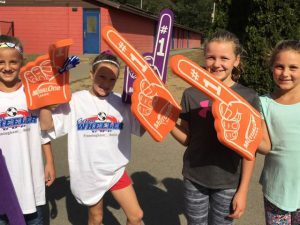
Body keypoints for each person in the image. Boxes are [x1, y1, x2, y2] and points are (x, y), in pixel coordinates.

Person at [40, 51, 144, 225]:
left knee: (136, 216)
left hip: (115, 170)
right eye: (101, 76)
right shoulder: (75, 101)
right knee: (96, 218)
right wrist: (44, 100)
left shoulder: (122, 103)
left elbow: (140, 129)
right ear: (91, 74)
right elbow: (46, 125)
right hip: (88, 172)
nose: (106, 83)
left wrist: (149, 110)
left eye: (112, 79)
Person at [171, 30, 260, 225]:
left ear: (236, 60)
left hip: (228, 182)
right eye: (211, 57)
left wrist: (243, 191)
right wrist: (167, 123)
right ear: (204, 58)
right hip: (194, 177)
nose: (216, 63)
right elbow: (187, 139)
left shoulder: (248, 97)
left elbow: (249, 150)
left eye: (224, 58)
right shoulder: (190, 94)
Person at [0, 35, 56, 224]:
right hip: (3, 184)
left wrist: (49, 161)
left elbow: (43, 131)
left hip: (32, 182)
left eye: (13, 62)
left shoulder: (32, 92)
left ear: (22, 62)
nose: (7, 67)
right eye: (1, 62)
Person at [258, 40, 300, 225]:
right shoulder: (262, 103)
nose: (285, 73)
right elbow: (265, 146)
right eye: (279, 66)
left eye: (293, 67)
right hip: (276, 190)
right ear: (272, 68)